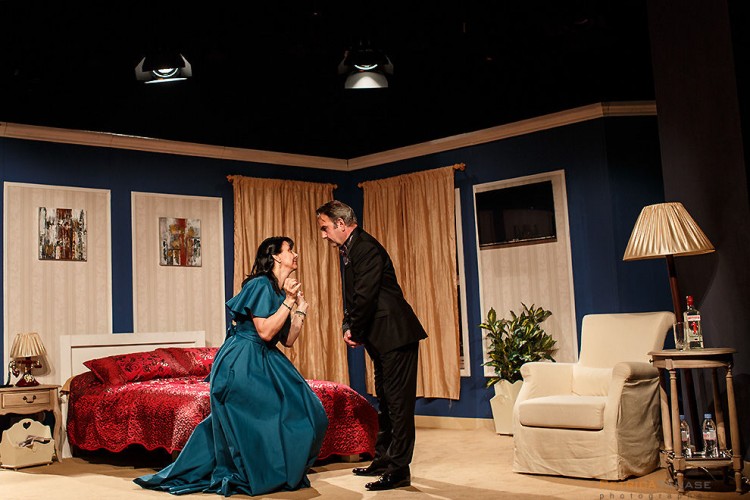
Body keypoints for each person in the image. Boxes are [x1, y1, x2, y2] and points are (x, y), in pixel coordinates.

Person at [134, 236, 328, 497]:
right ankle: (260, 472)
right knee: (260, 415)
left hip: (265, 358)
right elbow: (265, 332)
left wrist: (300, 309)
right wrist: (289, 302)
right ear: (276, 256)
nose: (295, 254)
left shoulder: (280, 292)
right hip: (243, 358)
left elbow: (288, 340)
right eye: (290, 250)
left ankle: (278, 469)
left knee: (310, 409)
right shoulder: (260, 284)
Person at [316, 200, 427, 491]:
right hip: (381, 337)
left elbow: (365, 296)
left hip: (396, 335)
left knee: (398, 405)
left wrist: (356, 329)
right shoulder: (349, 248)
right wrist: (347, 325)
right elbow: (352, 296)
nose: (323, 235)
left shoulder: (365, 247)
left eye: (325, 228)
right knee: (386, 401)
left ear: (341, 224)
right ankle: (383, 460)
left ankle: (398, 470)